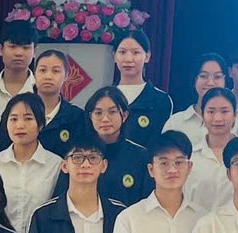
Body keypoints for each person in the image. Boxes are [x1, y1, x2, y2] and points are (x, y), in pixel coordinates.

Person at [0, 93, 66, 233]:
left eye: (28, 118)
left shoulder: (56, 165)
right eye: (13, 119)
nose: (20, 125)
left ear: (40, 124)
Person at [86, 86, 153, 216]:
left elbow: (148, 203)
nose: (105, 119)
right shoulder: (79, 156)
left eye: (112, 112)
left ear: (125, 115)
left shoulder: (141, 157)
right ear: (90, 116)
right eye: (98, 113)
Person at [183, 88, 238, 214]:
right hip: (196, 224)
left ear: (235, 115)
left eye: (224, 111)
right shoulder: (190, 157)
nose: (218, 118)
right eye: (211, 111)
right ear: (202, 115)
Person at [112, 29, 172, 146]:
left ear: (147, 56)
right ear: (114, 56)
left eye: (136, 52)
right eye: (122, 52)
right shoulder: (104, 97)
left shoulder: (160, 100)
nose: (128, 59)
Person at [27, 50, 88, 155]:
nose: (48, 76)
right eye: (42, 70)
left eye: (55, 71)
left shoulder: (77, 117)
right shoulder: (18, 110)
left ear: (66, 76)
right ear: (34, 73)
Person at [164, 53, 228, 151]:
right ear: (194, 80)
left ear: (225, 81)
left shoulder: (235, 121)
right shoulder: (176, 122)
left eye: (217, 77)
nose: (210, 82)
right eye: (204, 76)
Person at [0, 21, 36, 121]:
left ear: (34, 51)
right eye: (12, 46)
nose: (19, 53)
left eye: (25, 48)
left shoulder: (41, 91)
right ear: (0, 49)